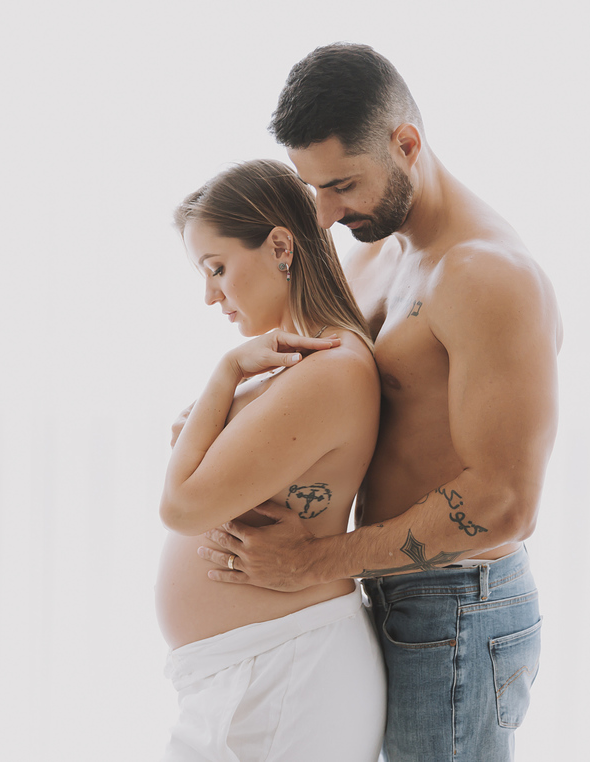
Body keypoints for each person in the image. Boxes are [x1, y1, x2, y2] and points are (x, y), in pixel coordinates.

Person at [196, 44, 563, 761]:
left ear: (407, 144)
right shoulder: (377, 253)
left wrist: (313, 562)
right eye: (313, 189)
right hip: (396, 593)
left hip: (460, 604)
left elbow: (506, 501)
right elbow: (328, 396)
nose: (327, 213)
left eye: (343, 185)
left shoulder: (488, 277)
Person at [155, 158, 386, 761]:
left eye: (217, 268)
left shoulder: (331, 371)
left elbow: (181, 507)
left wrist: (224, 374)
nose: (211, 295)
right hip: (263, 671)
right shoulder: (299, 369)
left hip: (290, 677)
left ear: (281, 247)